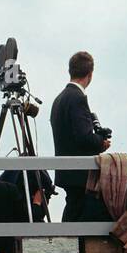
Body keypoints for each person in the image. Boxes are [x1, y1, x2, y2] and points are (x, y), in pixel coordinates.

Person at [49, 51, 110, 222]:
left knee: (73, 210)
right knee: (80, 214)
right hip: (79, 173)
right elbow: (83, 137)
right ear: (90, 74)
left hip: (66, 170)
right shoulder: (78, 98)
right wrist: (101, 142)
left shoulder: (59, 99)